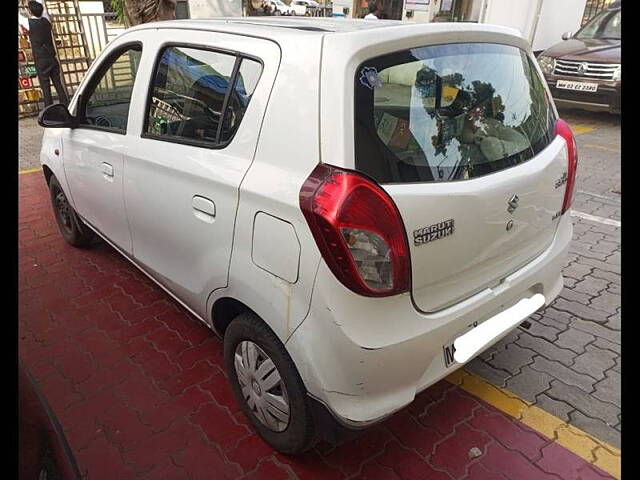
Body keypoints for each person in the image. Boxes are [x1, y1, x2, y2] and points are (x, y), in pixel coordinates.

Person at [19, 1, 69, 108]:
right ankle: (66, 106)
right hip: (52, 58)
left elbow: (19, 17)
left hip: (41, 60)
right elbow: (43, 9)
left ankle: (49, 110)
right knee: (58, 84)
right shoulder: (47, 21)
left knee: (45, 87)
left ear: (30, 11)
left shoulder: (29, 23)